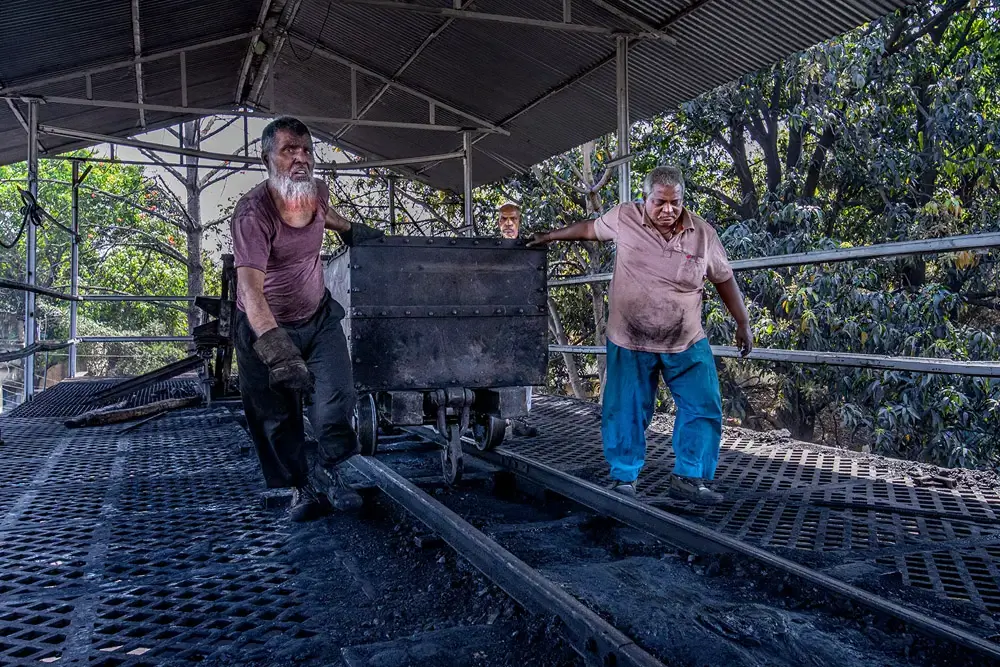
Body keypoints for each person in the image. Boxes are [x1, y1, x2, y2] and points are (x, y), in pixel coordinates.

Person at [528, 166, 752, 505]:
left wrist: (743, 323)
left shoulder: (702, 233)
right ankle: (624, 478)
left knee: (704, 405)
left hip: (686, 340)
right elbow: (590, 229)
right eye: (659, 202)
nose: (668, 210)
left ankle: (690, 477)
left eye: (675, 202)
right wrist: (551, 236)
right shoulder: (623, 217)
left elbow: (723, 278)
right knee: (625, 409)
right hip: (629, 340)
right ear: (645, 198)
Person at [231, 116, 378, 522]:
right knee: (278, 418)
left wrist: (354, 231)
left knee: (336, 397)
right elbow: (250, 290)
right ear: (266, 158)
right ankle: (298, 489)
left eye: (306, 151)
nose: (300, 159)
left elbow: (323, 217)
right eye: (288, 151)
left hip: (317, 317)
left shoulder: (317, 193)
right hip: (266, 328)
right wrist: (278, 351)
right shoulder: (252, 215)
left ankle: (332, 470)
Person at [496, 202, 538, 438]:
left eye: (513, 219)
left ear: (519, 221)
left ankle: (521, 416)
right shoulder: (491, 250)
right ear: (499, 222)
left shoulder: (528, 249)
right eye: (504, 219)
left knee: (525, 364)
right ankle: (500, 418)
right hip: (497, 316)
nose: (509, 223)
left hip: (522, 315)